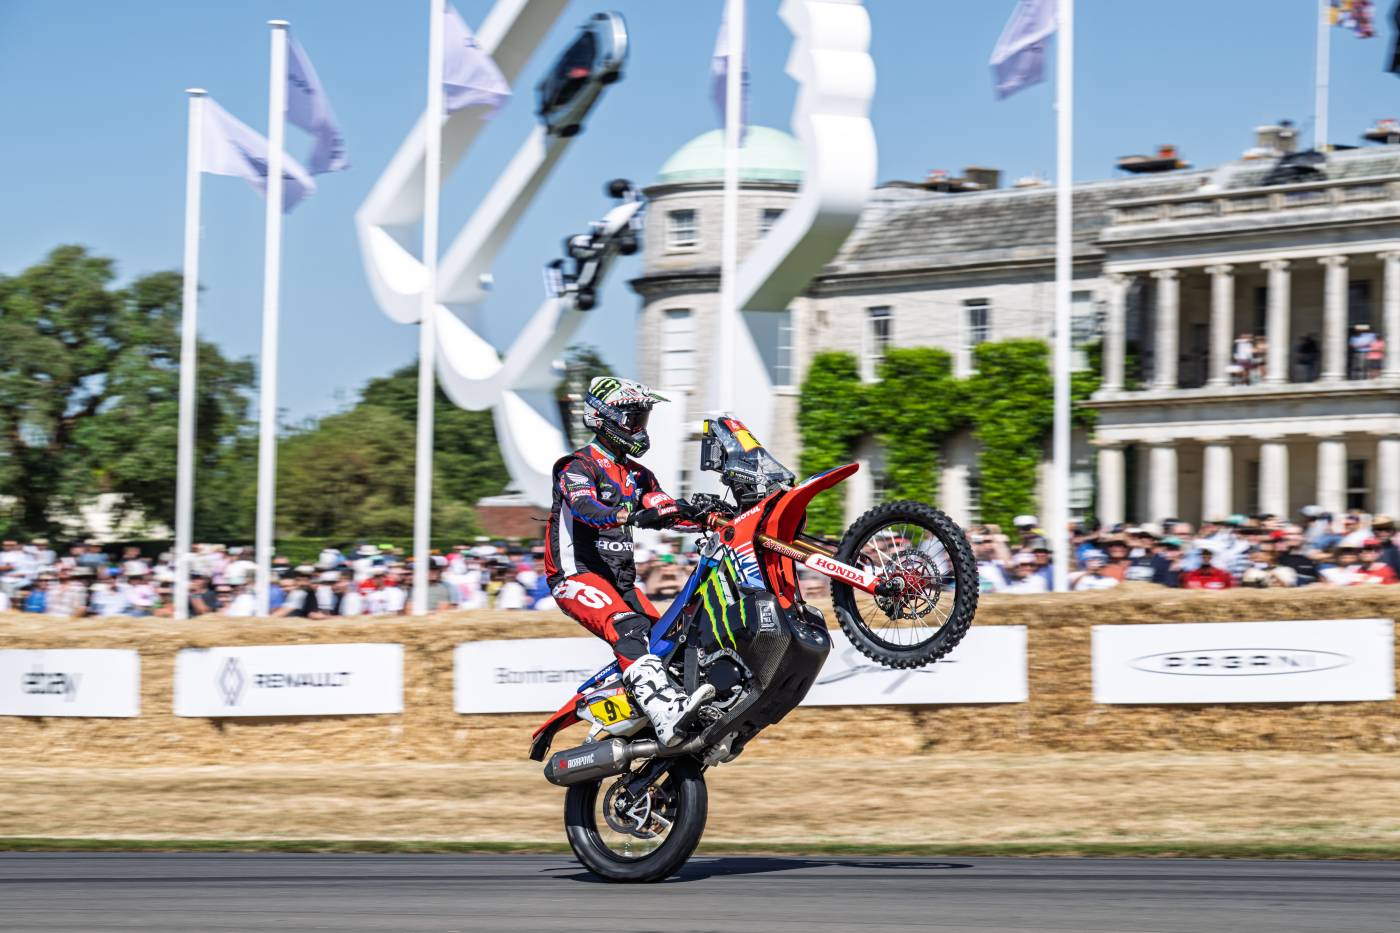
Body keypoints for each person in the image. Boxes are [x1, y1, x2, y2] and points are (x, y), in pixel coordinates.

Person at [544, 375, 713, 747]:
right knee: (629, 629)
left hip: (620, 584)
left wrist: (709, 514)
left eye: (643, 419)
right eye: (633, 419)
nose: (640, 427)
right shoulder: (576, 466)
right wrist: (630, 515)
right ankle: (666, 715)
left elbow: (667, 512)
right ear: (603, 418)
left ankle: (656, 720)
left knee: (671, 642)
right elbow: (587, 508)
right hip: (577, 576)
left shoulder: (639, 475)